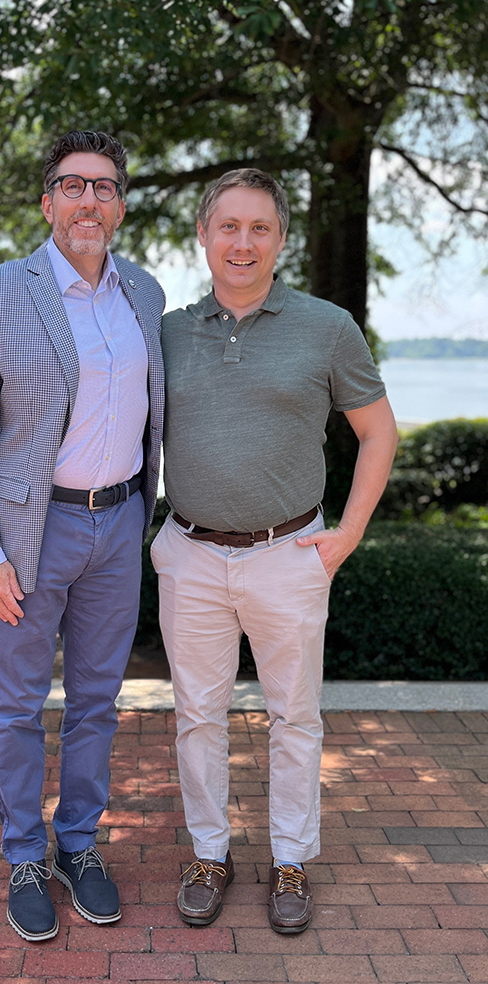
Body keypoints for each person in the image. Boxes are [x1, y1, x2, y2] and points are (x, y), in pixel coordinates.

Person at [150, 168, 398, 934]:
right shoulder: (165, 332)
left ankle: (290, 859)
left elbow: (378, 432)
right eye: (228, 226)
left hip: (289, 552)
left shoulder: (327, 327)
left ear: (281, 240)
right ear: (203, 234)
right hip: (188, 553)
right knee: (197, 715)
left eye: (260, 228)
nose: (242, 242)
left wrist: (346, 535)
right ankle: (208, 854)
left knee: (294, 716)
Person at [0, 130, 165, 942]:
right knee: (16, 707)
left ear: (118, 206)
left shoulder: (146, 294)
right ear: (47, 203)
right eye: (72, 185)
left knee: (99, 702)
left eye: (104, 187)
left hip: (120, 525)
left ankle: (79, 846)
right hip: (29, 534)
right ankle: (25, 856)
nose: (88, 201)